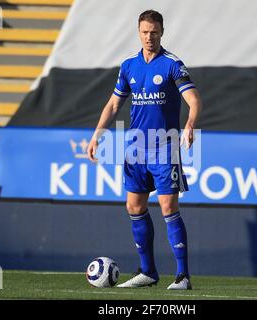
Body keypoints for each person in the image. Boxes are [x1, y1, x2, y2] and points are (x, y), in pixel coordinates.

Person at [87, 10, 202, 290]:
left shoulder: (173, 64)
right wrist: (97, 135)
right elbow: (114, 104)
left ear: (162, 32)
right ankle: (148, 272)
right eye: (145, 32)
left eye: (154, 31)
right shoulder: (128, 66)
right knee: (134, 206)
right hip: (135, 150)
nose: (149, 36)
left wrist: (189, 125)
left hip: (165, 147)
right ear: (139, 32)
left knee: (167, 207)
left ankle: (183, 276)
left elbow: (194, 100)